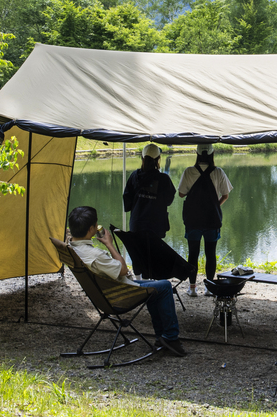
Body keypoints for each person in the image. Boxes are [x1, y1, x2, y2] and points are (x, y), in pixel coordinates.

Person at [66, 205, 187, 357]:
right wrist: (109, 244)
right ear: (91, 229)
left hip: (102, 294)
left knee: (156, 288)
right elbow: (123, 270)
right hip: (118, 294)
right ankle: (170, 337)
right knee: (164, 286)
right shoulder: (95, 255)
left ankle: (161, 337)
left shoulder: (71, 248)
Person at [177, 143, 232, 297]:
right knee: (211, 253)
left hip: (193, 220)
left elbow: (181, 194)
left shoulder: (189, 171)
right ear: (212, 153)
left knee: (192, 254)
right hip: (212, 220)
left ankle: (193, 288)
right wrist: (215, 205)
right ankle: (209, 287)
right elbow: (226, 195)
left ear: (196, 152)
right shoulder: (218, 172)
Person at [122, 143, 175, 275]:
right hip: (155, 225)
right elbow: (169, 200)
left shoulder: (134, 176)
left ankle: (140, 283)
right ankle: (151, 284)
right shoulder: (164, 179)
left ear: (142, 158)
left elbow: (127, 201)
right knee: (153, 254)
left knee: (137, 254)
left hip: (137, 222)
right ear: (158, 160)